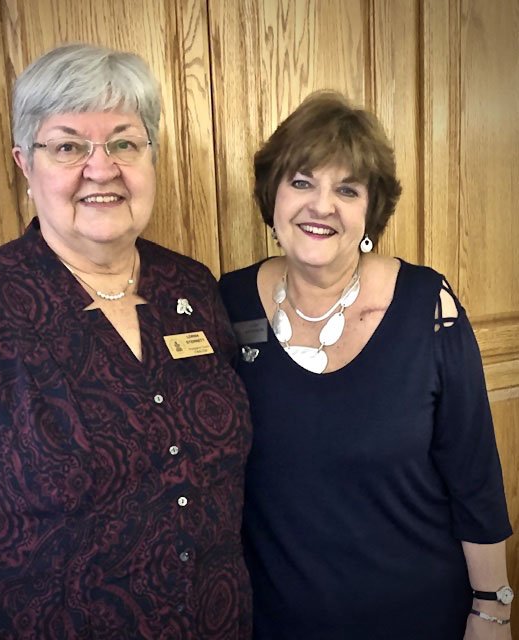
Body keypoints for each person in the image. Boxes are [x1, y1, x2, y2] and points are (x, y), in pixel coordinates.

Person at [0, 43, 253, 639]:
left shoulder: (192, 287)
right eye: (67, 146)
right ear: (24, 165)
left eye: (124, 142)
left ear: (150, 156)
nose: (101, 167)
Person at [219, 91, 513, 639]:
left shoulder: (430, 306)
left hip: (418, 616)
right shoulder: (227, 303)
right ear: (272, 196)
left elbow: (475, 479)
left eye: (346, 189)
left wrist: (492, 609)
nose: (320, 205)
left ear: (370, 209)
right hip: (275, 622)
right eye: (302, 181)